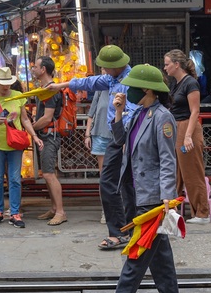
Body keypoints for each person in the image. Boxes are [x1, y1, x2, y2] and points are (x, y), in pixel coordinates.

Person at [97, 64, 179, 293]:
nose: (127, 90)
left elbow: (168, 160)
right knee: (159, 249)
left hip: (152, 197)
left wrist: (167, 196)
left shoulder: (162, 117)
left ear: (147, 89)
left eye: (132, 86)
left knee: (138, 251)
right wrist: (119, 112)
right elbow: (119, 140)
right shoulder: (140, 112)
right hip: (134, 190)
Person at [47, 45, 138, 249]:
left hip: (125, 137)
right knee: (113, 183)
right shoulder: (111, 78)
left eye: (105, 67)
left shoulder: (130, 81)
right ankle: (123, 230)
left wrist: (125, 141)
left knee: (123, 184)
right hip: (116, 135)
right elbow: (87, 82)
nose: (102, 70)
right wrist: (61, 85)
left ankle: (126, 231)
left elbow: (132, 111)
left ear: (114, 66)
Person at [0, 67, 43, 229]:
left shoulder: (18, 97)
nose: (5, 86)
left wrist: (34, 136)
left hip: (15, 143)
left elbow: (25, 119)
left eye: (8, 83)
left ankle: (14, 212)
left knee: (15, 179)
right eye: (2, 83)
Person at [163, 49, 209, 224]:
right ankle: (173, 210)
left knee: (192, 171)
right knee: (176, 172)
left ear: (177, 64)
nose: (165, 67)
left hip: (187, 128)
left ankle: (202, 213)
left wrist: (188, 136)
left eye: (167, 64)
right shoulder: (176, 83)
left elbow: (195, 111)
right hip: (177, 128)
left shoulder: (190, 83)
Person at [30, 55, 67, 226]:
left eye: (35, 67)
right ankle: (54, 208)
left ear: (43, 69)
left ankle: (60, 211)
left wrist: (32, 128)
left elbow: (47, 117)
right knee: (47, 173)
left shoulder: (51, 90)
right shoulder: (46, 88)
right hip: (45, 134)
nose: (33, 69)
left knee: (49, 174)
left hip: (49, 135)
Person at [85, 68, 111, 224]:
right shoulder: (100, 88)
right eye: (102, 69)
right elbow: (91, 112)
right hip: (100, 134)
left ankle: (120, 208)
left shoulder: (123, 85)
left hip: (118, 136)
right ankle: (106, 210)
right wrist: (87, 134)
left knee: (120, 174)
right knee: (105, 176)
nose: (104, 72)